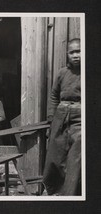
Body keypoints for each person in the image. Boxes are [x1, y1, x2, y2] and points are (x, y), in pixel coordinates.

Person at [43, 38, 81, 196]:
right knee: (55, 152)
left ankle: (69, 194)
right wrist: (52, 119)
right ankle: (53, 188)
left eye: (79, 51)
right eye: (72, 52)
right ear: (67, 55)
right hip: (61, 114)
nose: (76, 55)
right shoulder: (61, 73)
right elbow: (53, 97)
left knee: (76, 154)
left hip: (80, 117)